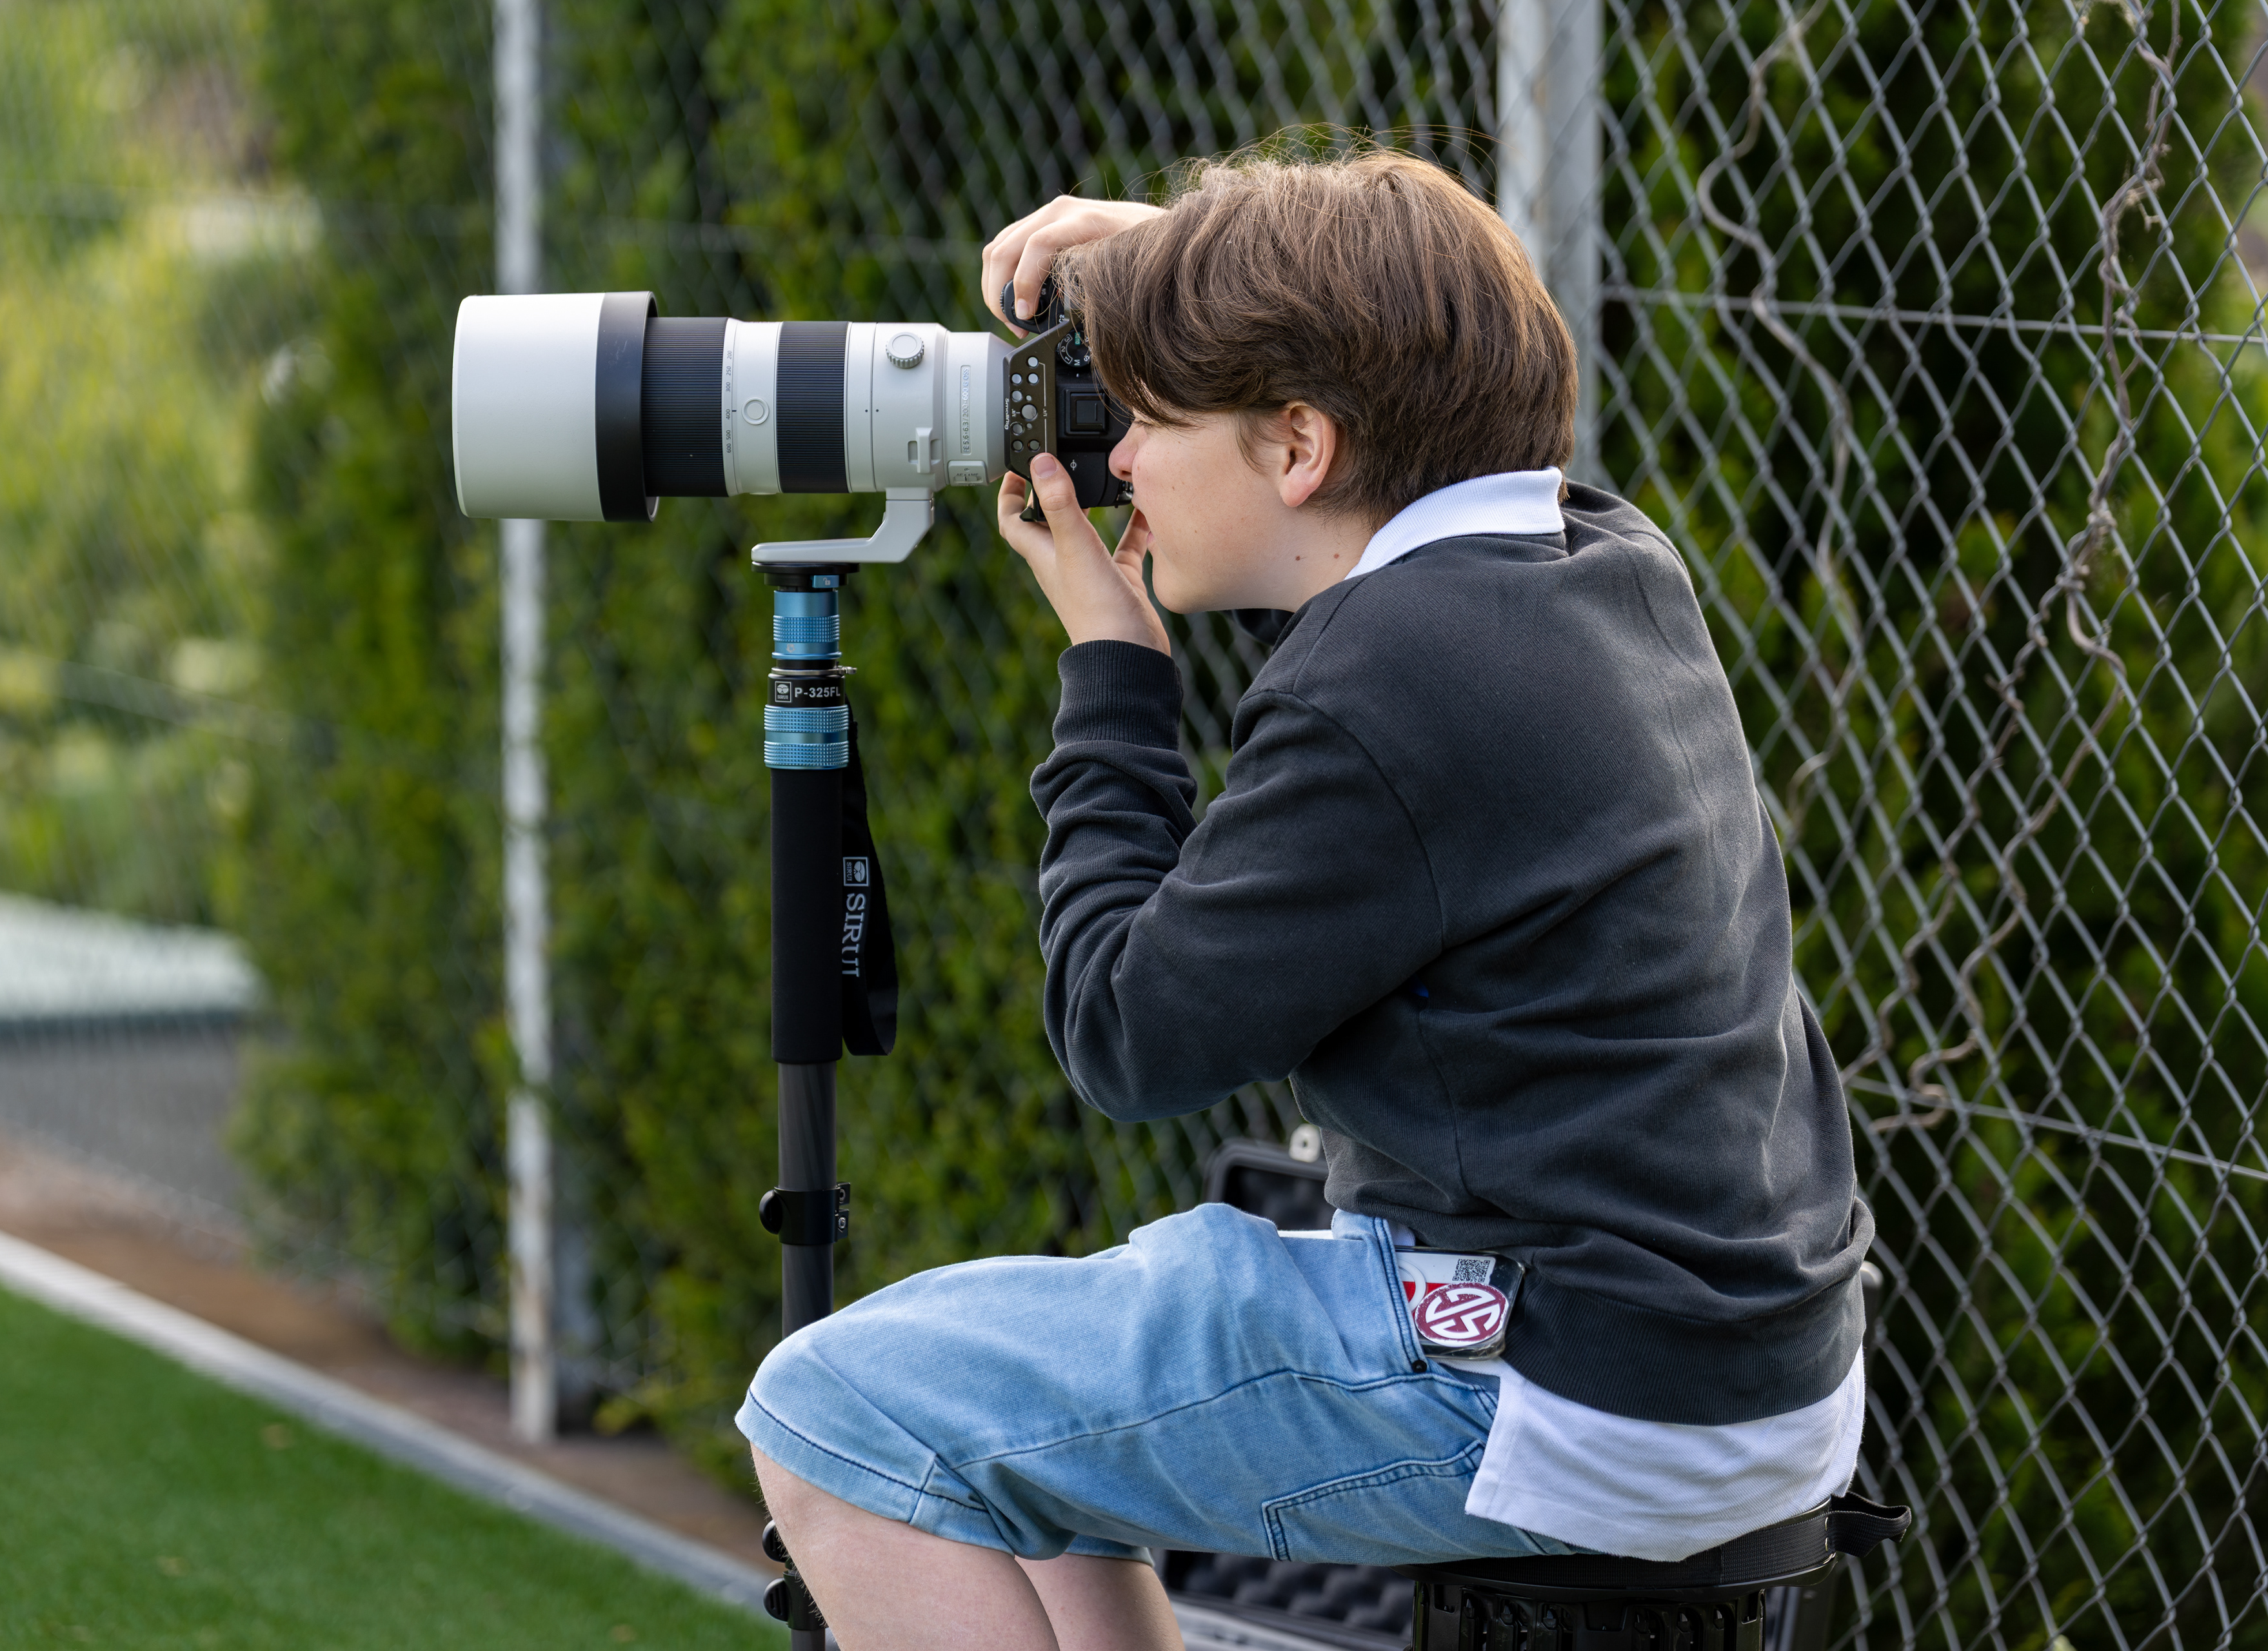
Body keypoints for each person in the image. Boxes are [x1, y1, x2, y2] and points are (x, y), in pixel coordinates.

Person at [735, 148, 1873, 1651]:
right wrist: (1208, 263)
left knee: (833, 1408)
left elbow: (1128, 1036)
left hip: (1559, 1382)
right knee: (1015, 1419)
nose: (1117, 461)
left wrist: (1114, 672)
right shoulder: (1601, 559)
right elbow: (1437, 372)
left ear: (1300, 445)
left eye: (1148, 417)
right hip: (1732, 1361)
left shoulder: (1382, 682)